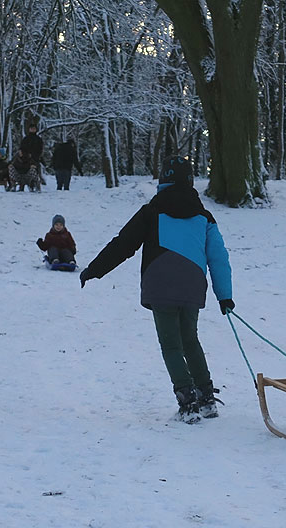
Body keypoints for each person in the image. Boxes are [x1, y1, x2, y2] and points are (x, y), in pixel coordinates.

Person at [79, 155, 235, 424]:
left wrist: (95, 269)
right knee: (190, 339)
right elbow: (219, 257)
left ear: (163, 180)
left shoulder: (151, 211)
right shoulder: (204, 217)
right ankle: (206, 397)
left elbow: (123, 244)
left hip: (160, 283)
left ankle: (188, 403)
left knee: (171, 344)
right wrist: (225, 296)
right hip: (191, 285)